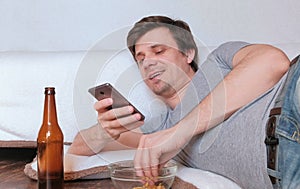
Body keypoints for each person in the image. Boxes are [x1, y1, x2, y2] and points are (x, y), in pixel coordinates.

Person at [68, 15, 297, 188]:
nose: (147, 63)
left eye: (158, 51)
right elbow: (78, 147)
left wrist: (178, 133)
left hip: (290, 107)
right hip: (286, 173)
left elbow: (273, 62)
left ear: (188, 53)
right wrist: (105, 129)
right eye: (141, 58)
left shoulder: (219, 61)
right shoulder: (156, 132)